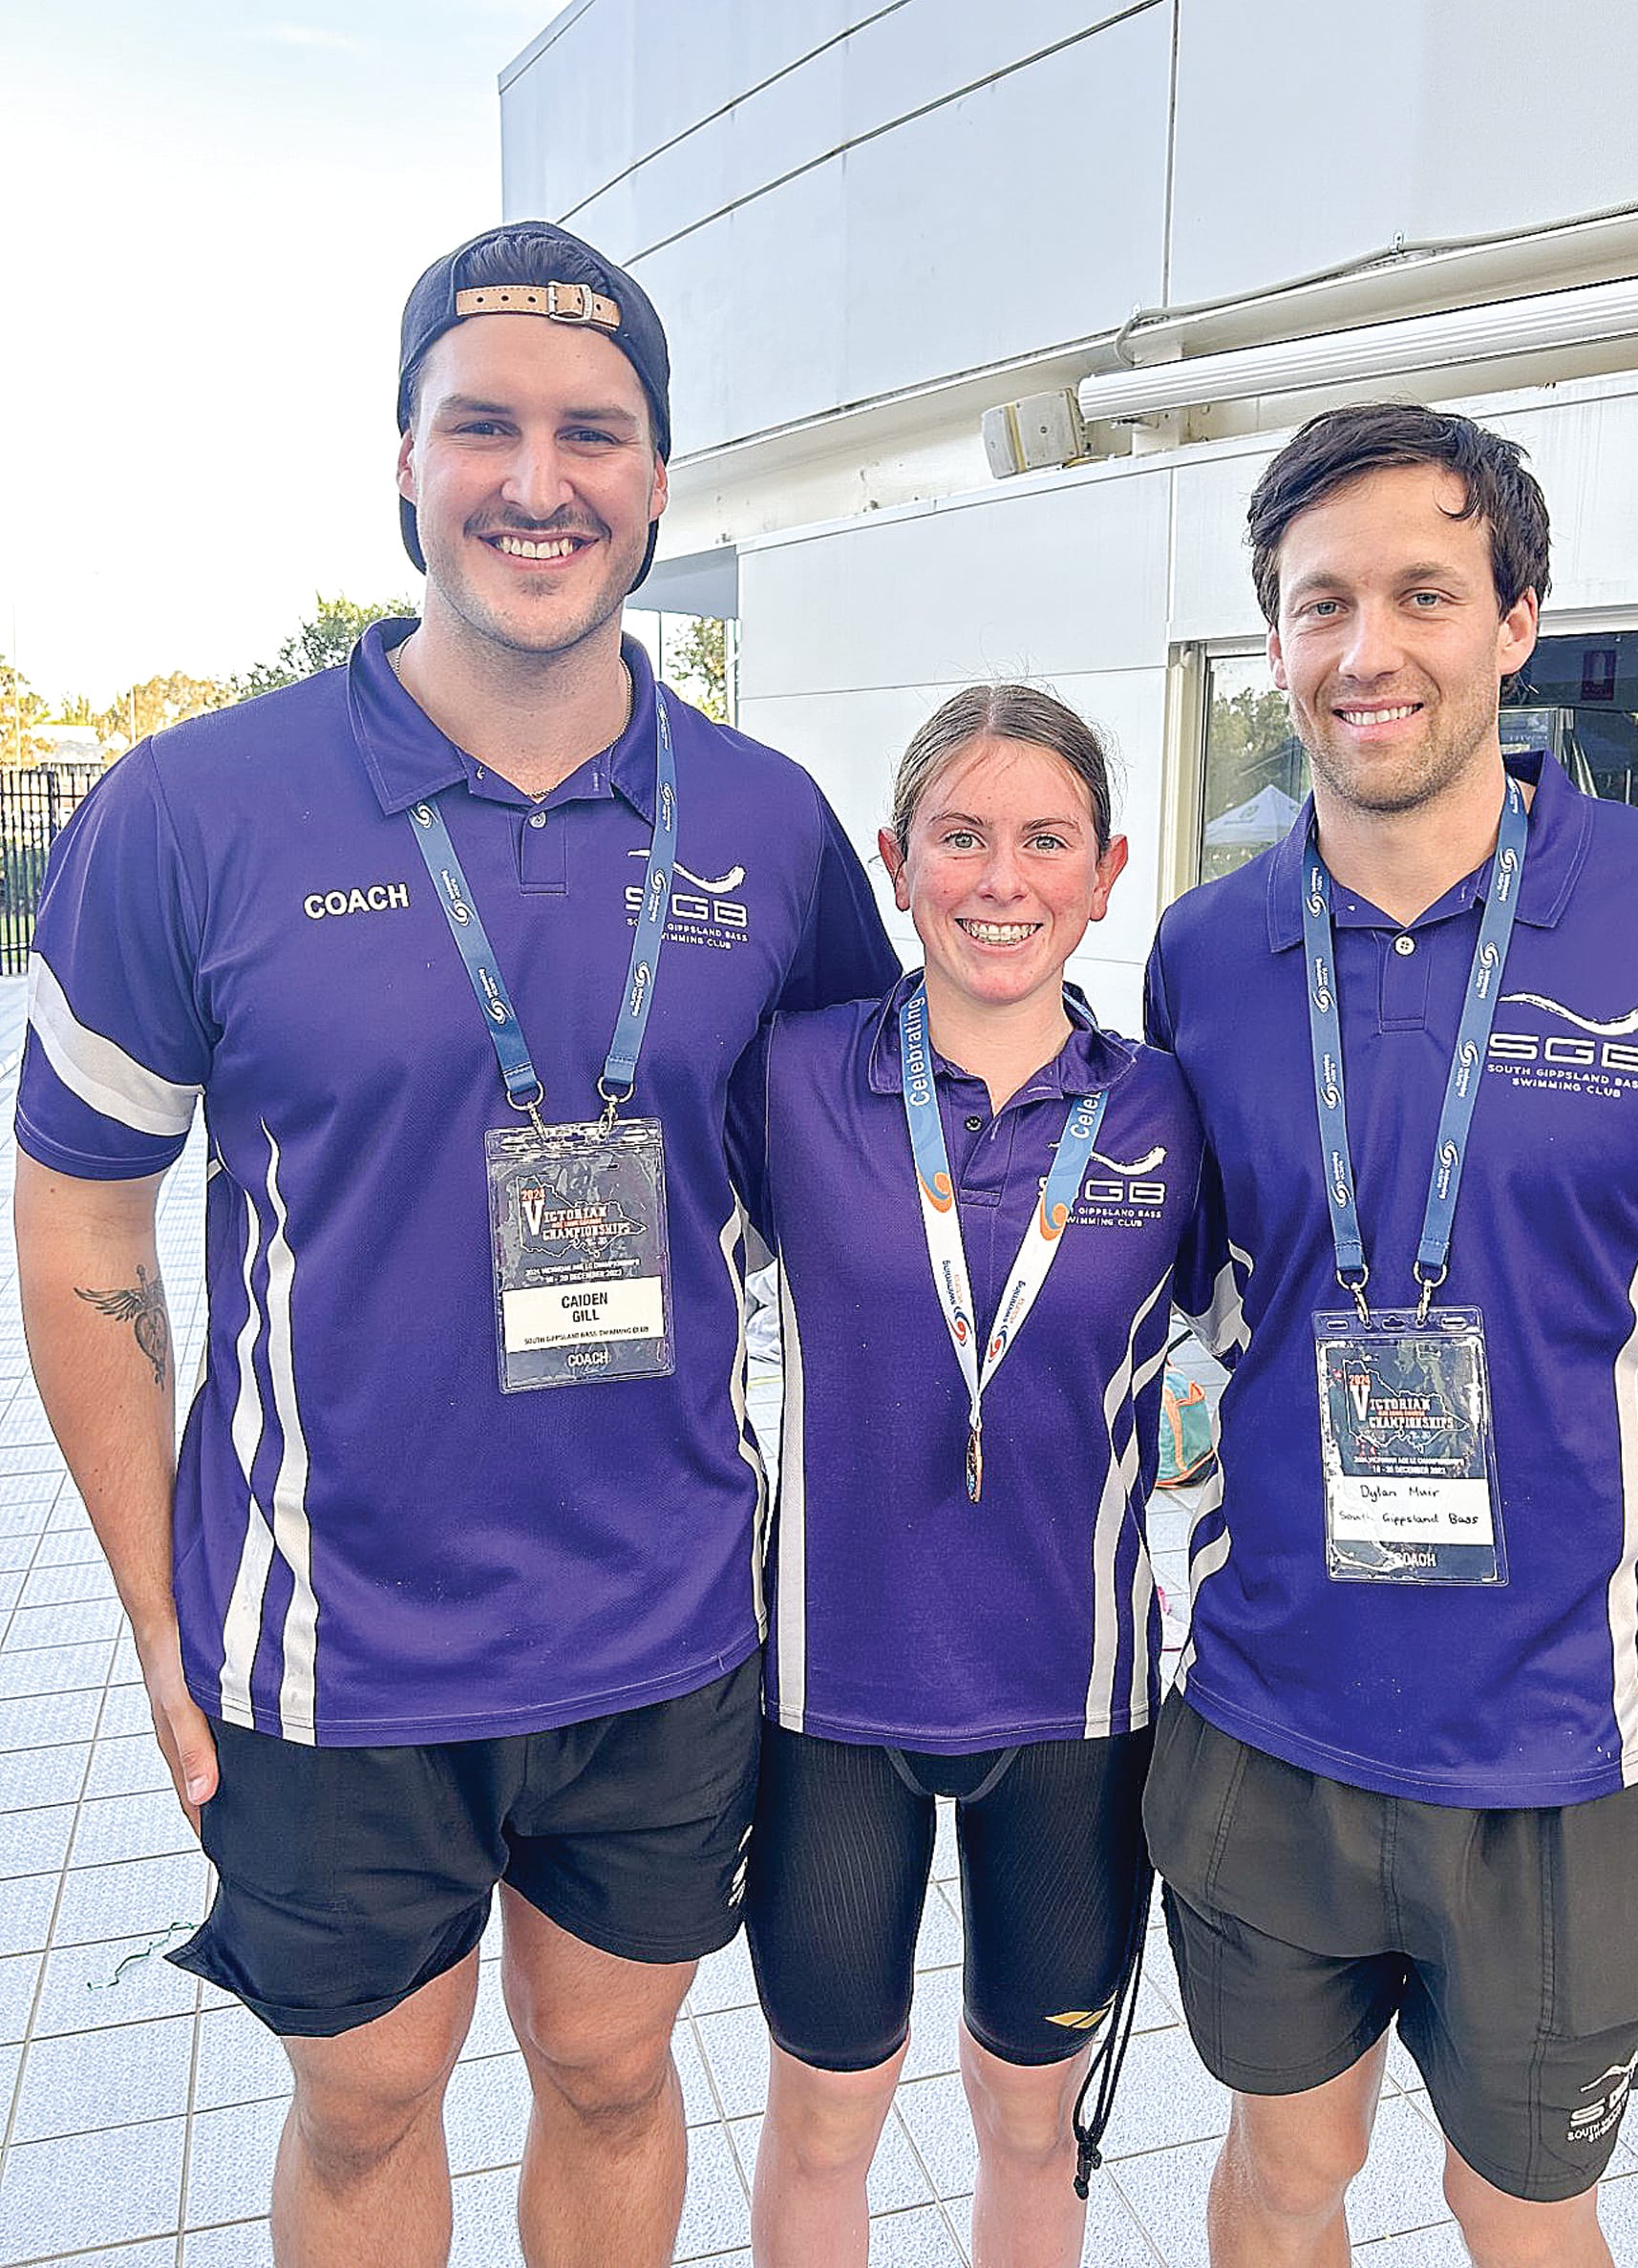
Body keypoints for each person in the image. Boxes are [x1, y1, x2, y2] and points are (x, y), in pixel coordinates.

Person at [11, 222, 898, 2268]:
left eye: (594, 434)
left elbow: (870, 1174)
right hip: (332, 1646)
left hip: (668, 1632)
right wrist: (158, 1617)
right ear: (402, 464)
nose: (537, 478)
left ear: (662, 483)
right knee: (365, 2100)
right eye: (479, 423)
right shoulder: (190, 813)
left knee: (608, 2072)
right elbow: (77, 1211)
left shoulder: (767, 829)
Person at [1144, 402, 1638, 2268]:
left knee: (1523, 2210)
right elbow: (1193, 1319)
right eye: (1319, 604)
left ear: (1518, 621)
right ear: (1275, 639)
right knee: (1286, 2179)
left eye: (1423, 594)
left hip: (1564, 1752)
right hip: (1264, 1718)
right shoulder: (1205, 956)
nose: (1367, 652)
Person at [728, 686, 1207, 2267]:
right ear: (894, 859)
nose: (1000, 879)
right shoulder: (790, 1080)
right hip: (831, 1700)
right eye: (961, 837)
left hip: (1074, 1710)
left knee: (1026, 2121)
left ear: (1104, 870)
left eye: (1043, 841)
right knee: (820, 2120)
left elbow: (1245, 1361)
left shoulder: (1164, 1111)